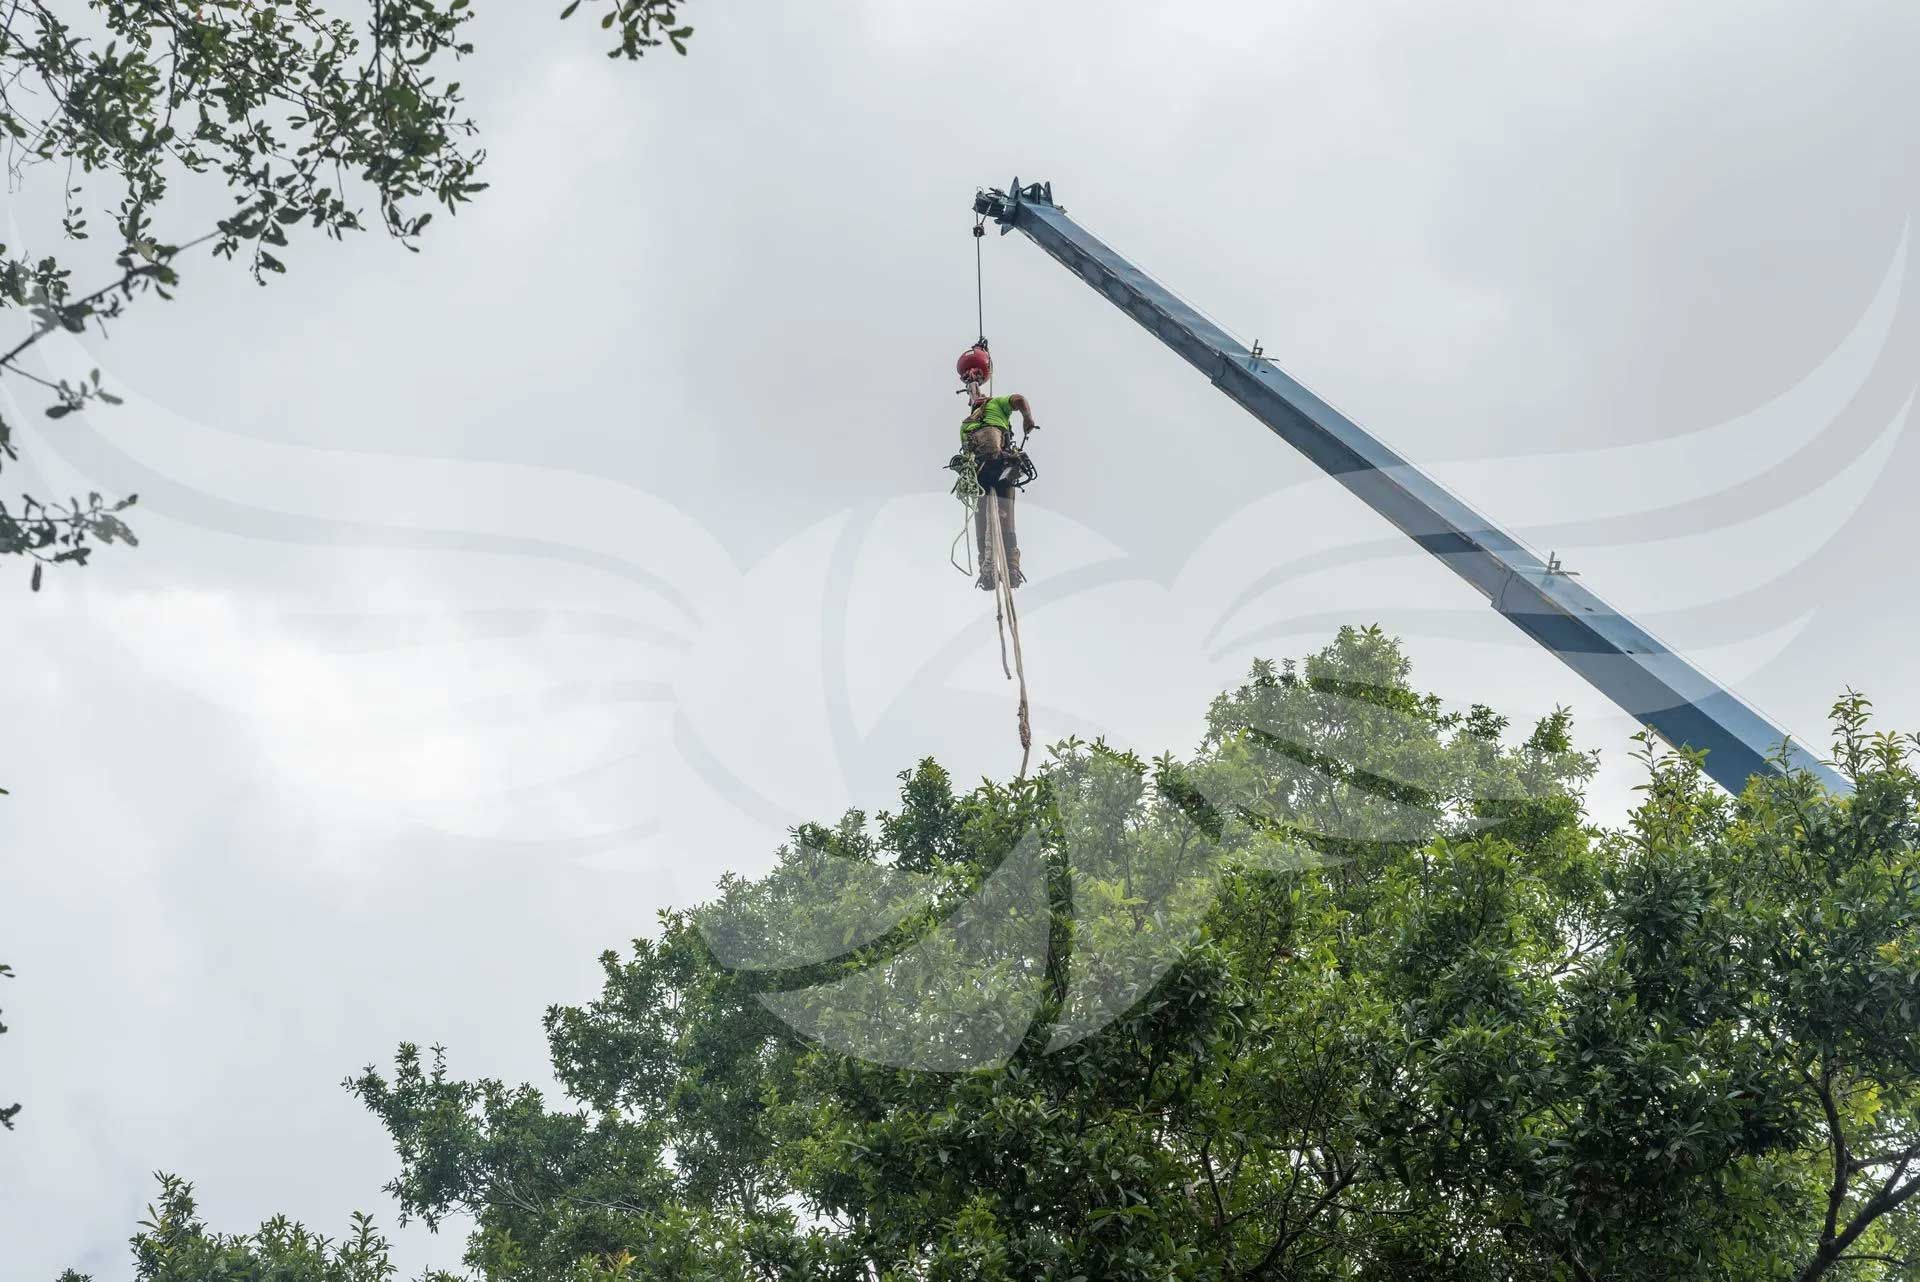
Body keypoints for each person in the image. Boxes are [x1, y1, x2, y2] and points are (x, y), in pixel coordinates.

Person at [960, 385, 1038, 589]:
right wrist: (1027, 419)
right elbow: (1019, 399)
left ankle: (987, 570)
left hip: (980, 472)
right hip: (1000, 466)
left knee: (983, 514)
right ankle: (1010, 568)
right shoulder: (997, 403)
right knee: (1005, 511)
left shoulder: (965, 425)